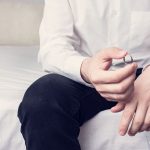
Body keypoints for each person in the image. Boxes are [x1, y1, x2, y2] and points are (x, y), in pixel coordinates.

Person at [18, 0, 150, 150]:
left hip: (145, 72)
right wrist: (87, 68)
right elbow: (53, 46)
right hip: (84, 72)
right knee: (41, 100)